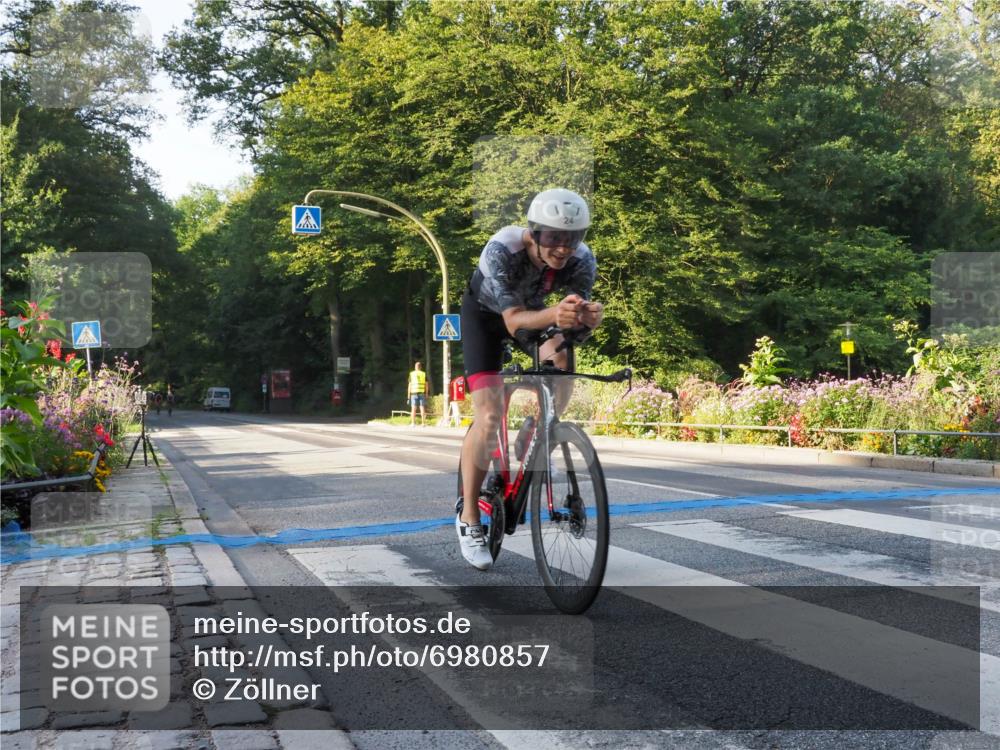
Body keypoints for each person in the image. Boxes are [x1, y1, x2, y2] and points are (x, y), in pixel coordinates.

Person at [456, 188, 604, 570]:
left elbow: (569, 327)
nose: (563, 248)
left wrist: (584, 322)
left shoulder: (583, 261)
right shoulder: (502, 249)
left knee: (563, 364)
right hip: (488, 319)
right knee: (488, 417)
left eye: (573, 238)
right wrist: (557, 312)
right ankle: (470, 517)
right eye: (554, 237)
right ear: (535, 232)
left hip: (536, 317)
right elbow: (512, 321)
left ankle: (538, 432)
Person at [408, 362, 429, 426]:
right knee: (422, 408)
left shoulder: (412, 374)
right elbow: (427, 385)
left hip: (413, 393)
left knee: (413, 408)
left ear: (415, 367)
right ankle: (423, 423)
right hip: (421, 393)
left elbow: (409, 385)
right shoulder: (424, 374)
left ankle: (413, 423)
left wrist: (408, 396)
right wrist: (426, 394)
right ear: (420, 367)